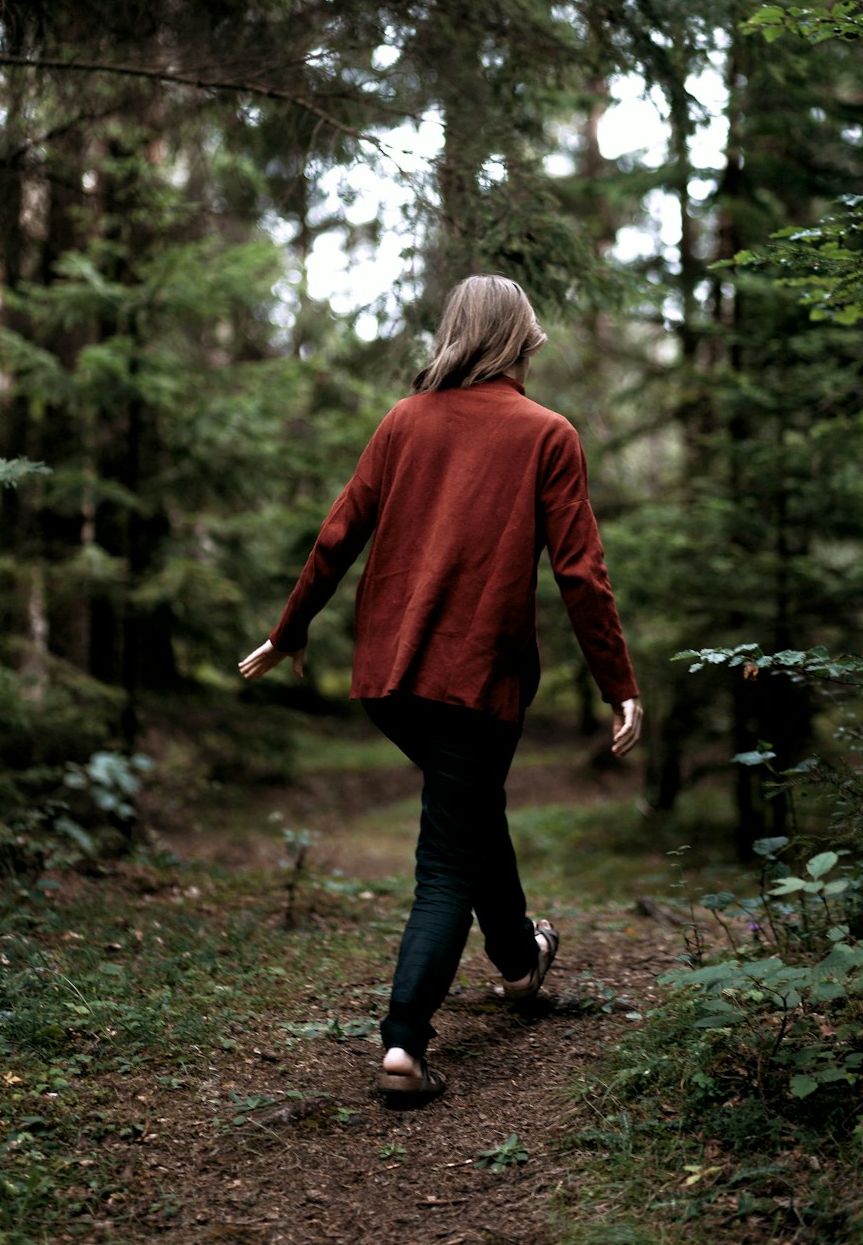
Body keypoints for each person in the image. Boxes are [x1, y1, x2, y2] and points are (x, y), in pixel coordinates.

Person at [239, 274, 642, 1104]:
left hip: (391, 679)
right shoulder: (546, 434)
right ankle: (404, 1043)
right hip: (473, 680)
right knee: (447, 858)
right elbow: (582, 573)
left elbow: (338, 531)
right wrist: (620, 684)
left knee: (469, 809)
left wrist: (291, 631)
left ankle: (520, 961)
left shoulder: (403, 421)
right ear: (522, 337)